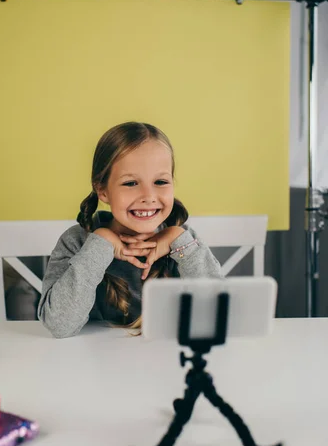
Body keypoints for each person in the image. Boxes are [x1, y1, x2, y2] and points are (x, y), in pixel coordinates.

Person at [37, 122, 223, 338]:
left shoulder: (183, 242)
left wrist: (180, 243)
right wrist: (100, 244)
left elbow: (218, 316)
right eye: (131, 183)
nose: (148, 196)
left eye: (161, 181)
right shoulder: (77, 241)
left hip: (167, 362)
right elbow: (59, 326)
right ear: (103, 191)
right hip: (92, 364)